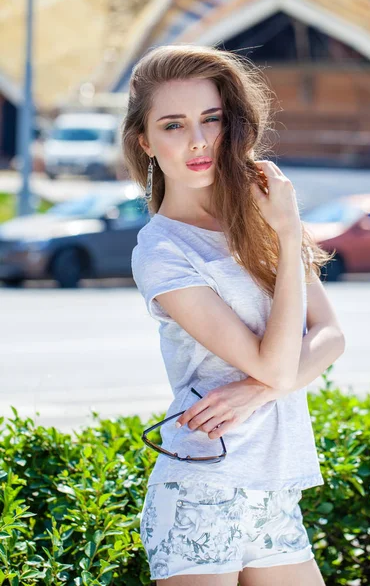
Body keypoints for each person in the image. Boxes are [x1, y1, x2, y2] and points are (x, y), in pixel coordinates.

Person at [123, 43, 345, 586]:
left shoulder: (260, 219)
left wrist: (259, 391)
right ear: (145, 141)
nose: (198, 140)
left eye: (212, 119)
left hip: (273, 488)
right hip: (203, 484)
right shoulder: (163, 251)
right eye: (173, 125)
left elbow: (331, 335)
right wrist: (291, 231)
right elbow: (278, 365)